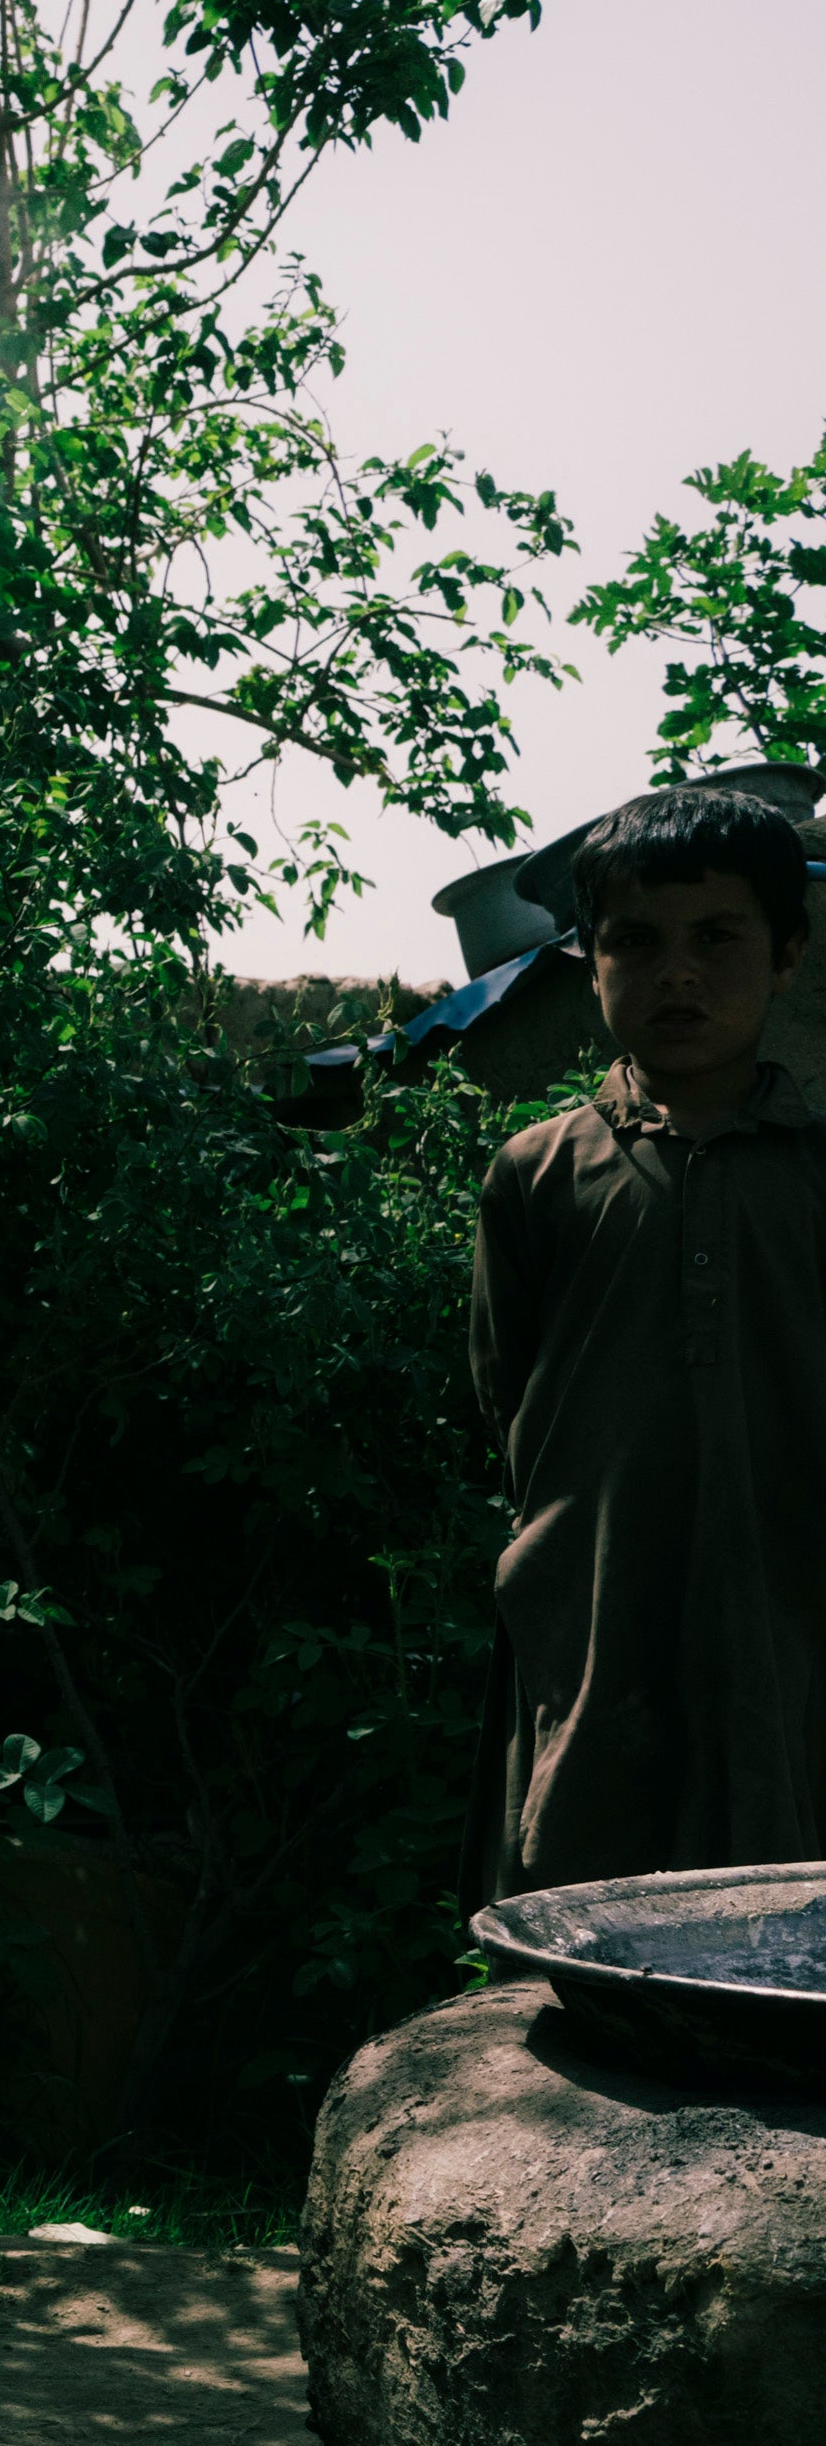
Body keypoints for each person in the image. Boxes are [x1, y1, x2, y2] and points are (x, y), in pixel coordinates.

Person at [470, 781, 826, 1893]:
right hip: (594, 1593)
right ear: (588, 962)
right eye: (634, 940)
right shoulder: (537, 1172)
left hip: (795, 1592)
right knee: (585, 1880)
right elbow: (504, 1389)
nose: (675, 972)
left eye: (717, 937)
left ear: (785, 956)